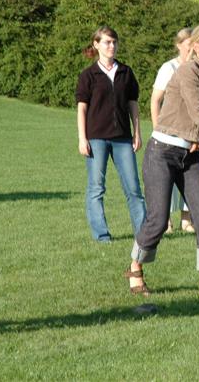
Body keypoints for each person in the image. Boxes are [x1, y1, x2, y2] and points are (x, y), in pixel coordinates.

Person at [126, 23, 199, 302]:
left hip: (190, 156)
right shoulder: (188, 72)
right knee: (157, 221)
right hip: (162, 153)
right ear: (197, 46)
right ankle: (135, 269)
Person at [75, 26, 146, 242]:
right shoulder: (88, 75)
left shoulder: (126, 72)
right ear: (96, 44)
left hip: (123, 138)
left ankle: (144, 235)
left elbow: (133, 104)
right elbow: (82, 108)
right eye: (107, 42)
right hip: (96, 138)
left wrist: (137, 133)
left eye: (114, 42)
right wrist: (82, 138)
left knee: (134, 188)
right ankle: (102, 235)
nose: (112, 46)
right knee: (96, 188)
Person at [150, 28, 195, 234]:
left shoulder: (197, 68)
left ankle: (187, 220)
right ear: (179, 45)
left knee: (189, 176)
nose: (192, 49)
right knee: (165, 178)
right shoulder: (168, 68)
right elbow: (155, 100)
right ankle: (166, 222)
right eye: (188, 45)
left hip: (190, 133)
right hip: (168, 132)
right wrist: (157, 128)